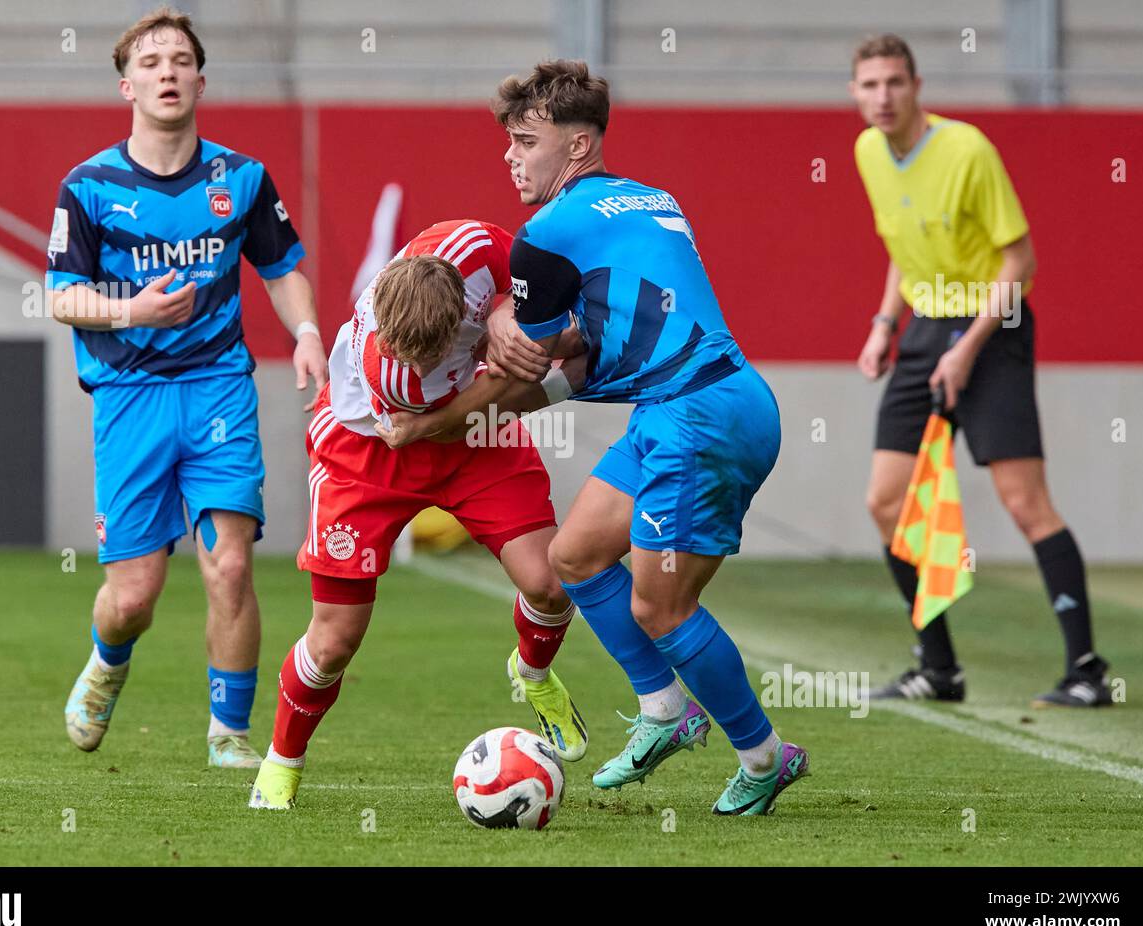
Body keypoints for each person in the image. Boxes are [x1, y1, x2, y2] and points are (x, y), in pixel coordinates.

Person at [389, 62, 810, 816]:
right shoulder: (652, 198)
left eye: (526, 141)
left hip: (699, 415)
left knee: (661, 609)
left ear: (578, 148)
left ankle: (763, 756)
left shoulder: (544, 235)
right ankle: (663, 712)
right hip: (689, 403)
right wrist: (527, 354)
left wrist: (433, 421)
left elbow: (536, 368)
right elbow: (592, 354)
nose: (510, 157)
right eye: (508, 142)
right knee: (575, 555)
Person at [48, 6, 329, 767]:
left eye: (179, 60)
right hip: (129, 397)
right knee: (135, 596)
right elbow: (61, 296)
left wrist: (306, 335)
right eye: (150, 62)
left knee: (231, 564)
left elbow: (282, 271)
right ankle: (107, 661)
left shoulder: (239, 178)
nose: (166, 71)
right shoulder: (89, 185)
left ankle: (230, 736)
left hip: (217, 390)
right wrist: (132, 308)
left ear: (200, 80)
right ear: (126, 86)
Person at [248, 220, 589, 810]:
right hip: (369, 454)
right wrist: (554, 369)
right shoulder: (393, 369)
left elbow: (529, 286)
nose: (402, 353)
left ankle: (533, 673)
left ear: (458, 313)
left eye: (426, 350)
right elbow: (483, 397)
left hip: (469, 440)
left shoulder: (472, 246)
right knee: (334, 641)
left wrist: (515, 318)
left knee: (552, 584)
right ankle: (283, 760)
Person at [850, 34, 1112, 707]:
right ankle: (939, 670)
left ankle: (1087, 670)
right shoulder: (867, 152)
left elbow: (1019, 263)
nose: (882, 97)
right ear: (856, 92)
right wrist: (885, 324)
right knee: (886, 503)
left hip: (993, 332)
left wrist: (964, 348)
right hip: (921, 331)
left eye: (894, 83)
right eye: (870, 85)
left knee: (1025, 503)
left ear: (916, 87)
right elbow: (899, 248)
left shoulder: (968, 150)